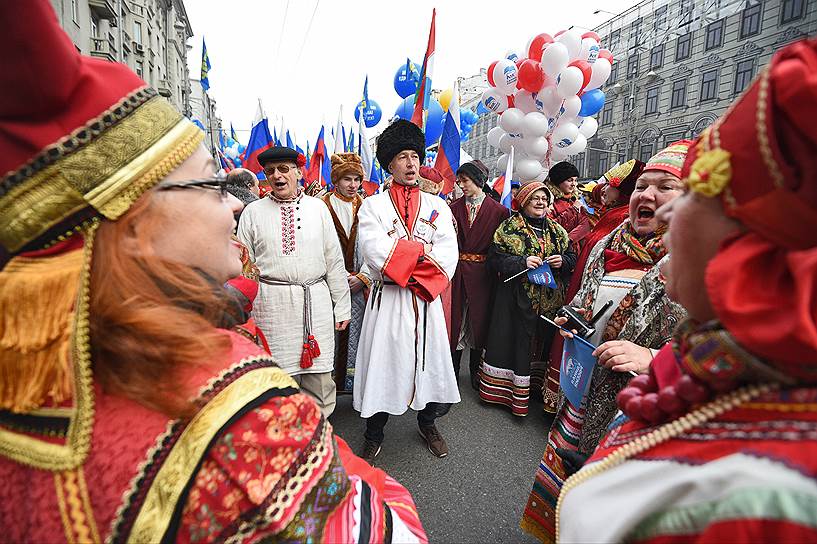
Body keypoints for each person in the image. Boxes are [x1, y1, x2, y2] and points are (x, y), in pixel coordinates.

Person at [0, 3, 427, 542]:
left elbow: (331, 268)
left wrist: (337, 313)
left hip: (313, 301)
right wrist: (334, 463)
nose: (232, 204)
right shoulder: (228, 402)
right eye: (211, 184)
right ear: (134, 224)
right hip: (273, 307)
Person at [558, 38, 817, 543]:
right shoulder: (714, 366)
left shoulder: (769, 495)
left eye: (692, 190)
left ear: (751, 236)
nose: (666, 209)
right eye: (642, 186)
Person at [521, 142, 691, 543]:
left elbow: (726, 346)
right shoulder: (607, 244)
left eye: (665, 187)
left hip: (646, 414)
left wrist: (653, 357)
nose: (646, 195)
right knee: (576, 490)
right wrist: (573, 319)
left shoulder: (702, 257)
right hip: (584, 396)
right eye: (641, 186)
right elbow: (585, 299)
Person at [353, 120, 460, 463]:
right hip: (388, 303)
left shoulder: (439, 206)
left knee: (427, 365)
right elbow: (374, 250)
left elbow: (447, 256)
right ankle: (374, 432)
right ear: (390, 164)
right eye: (403, 157)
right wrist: (418, 255)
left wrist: (405, 259)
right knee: (384, 366)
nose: (412, 164)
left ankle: (427, 423)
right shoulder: (373, 206)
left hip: (425, 303)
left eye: (415, 156)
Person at [237, 145, 351, 417]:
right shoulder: (252, 212)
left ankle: (321, 439)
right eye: (271, 171)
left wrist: (342, 306)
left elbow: (334, 260)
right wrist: (245, 310)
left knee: (321, 382)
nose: (277, 175)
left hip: (316, 303)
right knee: (278, 384)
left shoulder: (318, 209)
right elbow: (243, 266)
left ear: (299, 172)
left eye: (284, 169)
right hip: (271, 309)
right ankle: (289, 447)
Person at [480, 182, 576, 417]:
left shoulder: (557, 230)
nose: (541, 202)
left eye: (544, 198)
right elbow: (494, 259)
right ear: (523, 202)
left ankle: (535, 391)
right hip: (516, 299)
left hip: (550, 301)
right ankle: (508, 394)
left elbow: (572, 257)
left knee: (542, 347)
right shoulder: (508, 228)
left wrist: (562, 261)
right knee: (517, 344)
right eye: (535, 198)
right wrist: (522, 262)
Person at [449, 160, 510, 389]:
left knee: (480, 322)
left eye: (464, 180)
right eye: (459, 181)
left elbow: (504, 246)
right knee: (456, 322)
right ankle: (451, 373)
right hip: (457, 275)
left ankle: (477, 372)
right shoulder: (452, 208)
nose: (461, 185)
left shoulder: (499, 211)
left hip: (484, 276)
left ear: (478, 181)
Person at [321, 153, 371, 393]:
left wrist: (363, 277)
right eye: (347, 179)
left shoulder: (367, 207)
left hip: (359, 284)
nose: (353, 185)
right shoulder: (322, 206)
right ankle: (328, 386)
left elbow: (375, 247)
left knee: (357, 335)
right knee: (330, 333)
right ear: (336, 180)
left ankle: (353, 385)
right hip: (329, 284)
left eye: (356, 179)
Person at [545, 161, 590, 246]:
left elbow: (585, 224)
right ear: (559, 181)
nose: (574, 184)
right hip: (557, 248)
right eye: (570, 180)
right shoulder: (548, 201)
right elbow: (550, 226)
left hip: (577, 249)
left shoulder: (575, 200)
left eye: (575, 180)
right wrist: (573, 210)